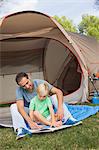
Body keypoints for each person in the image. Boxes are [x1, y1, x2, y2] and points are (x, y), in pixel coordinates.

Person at [10, 72, 80, 139]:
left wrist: (60, 108)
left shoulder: (40, 83)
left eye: (27, 83)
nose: (27, 86)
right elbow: (20, 108)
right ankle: (21, 129)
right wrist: (30, 122)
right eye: (23, 86)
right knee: (13, 107)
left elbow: (59, 92)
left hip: (45, 108)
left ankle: (68, 118)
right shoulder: (19, 90)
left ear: (29, 77)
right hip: (33, 112)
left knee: (55, 97)